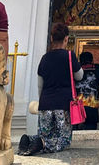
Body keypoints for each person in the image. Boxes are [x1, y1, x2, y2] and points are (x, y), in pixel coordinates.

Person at [18, 22, 83, 155]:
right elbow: (79, 76)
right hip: (64, 104)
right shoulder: (69, 56)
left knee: (45, 134)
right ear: (66, 39)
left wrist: (43, 101)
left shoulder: (45, 58)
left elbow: (40, 85)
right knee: (63, 141)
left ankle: (29, 140)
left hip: (45, 103)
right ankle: (40, 144)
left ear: (52, 38)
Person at [74, 51, 99, 130]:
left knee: (76, 132)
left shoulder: (76, 69)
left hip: (77, 105)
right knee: (91, 131)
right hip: (92, 104)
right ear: (92, 60)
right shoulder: (97, 68)